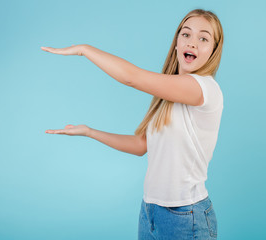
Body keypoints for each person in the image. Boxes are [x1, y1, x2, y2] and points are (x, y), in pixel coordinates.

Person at [41, 8, 224, 240]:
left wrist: (84, 50)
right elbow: (141, 145)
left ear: (214, 50)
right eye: (186, 34)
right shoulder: (167, 96)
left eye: (203, 38)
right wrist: (89, 132)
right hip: (150, 210)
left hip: (186, 215)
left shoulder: (204, 88)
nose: (193, 43)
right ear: (176, 42)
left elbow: (131, 77)